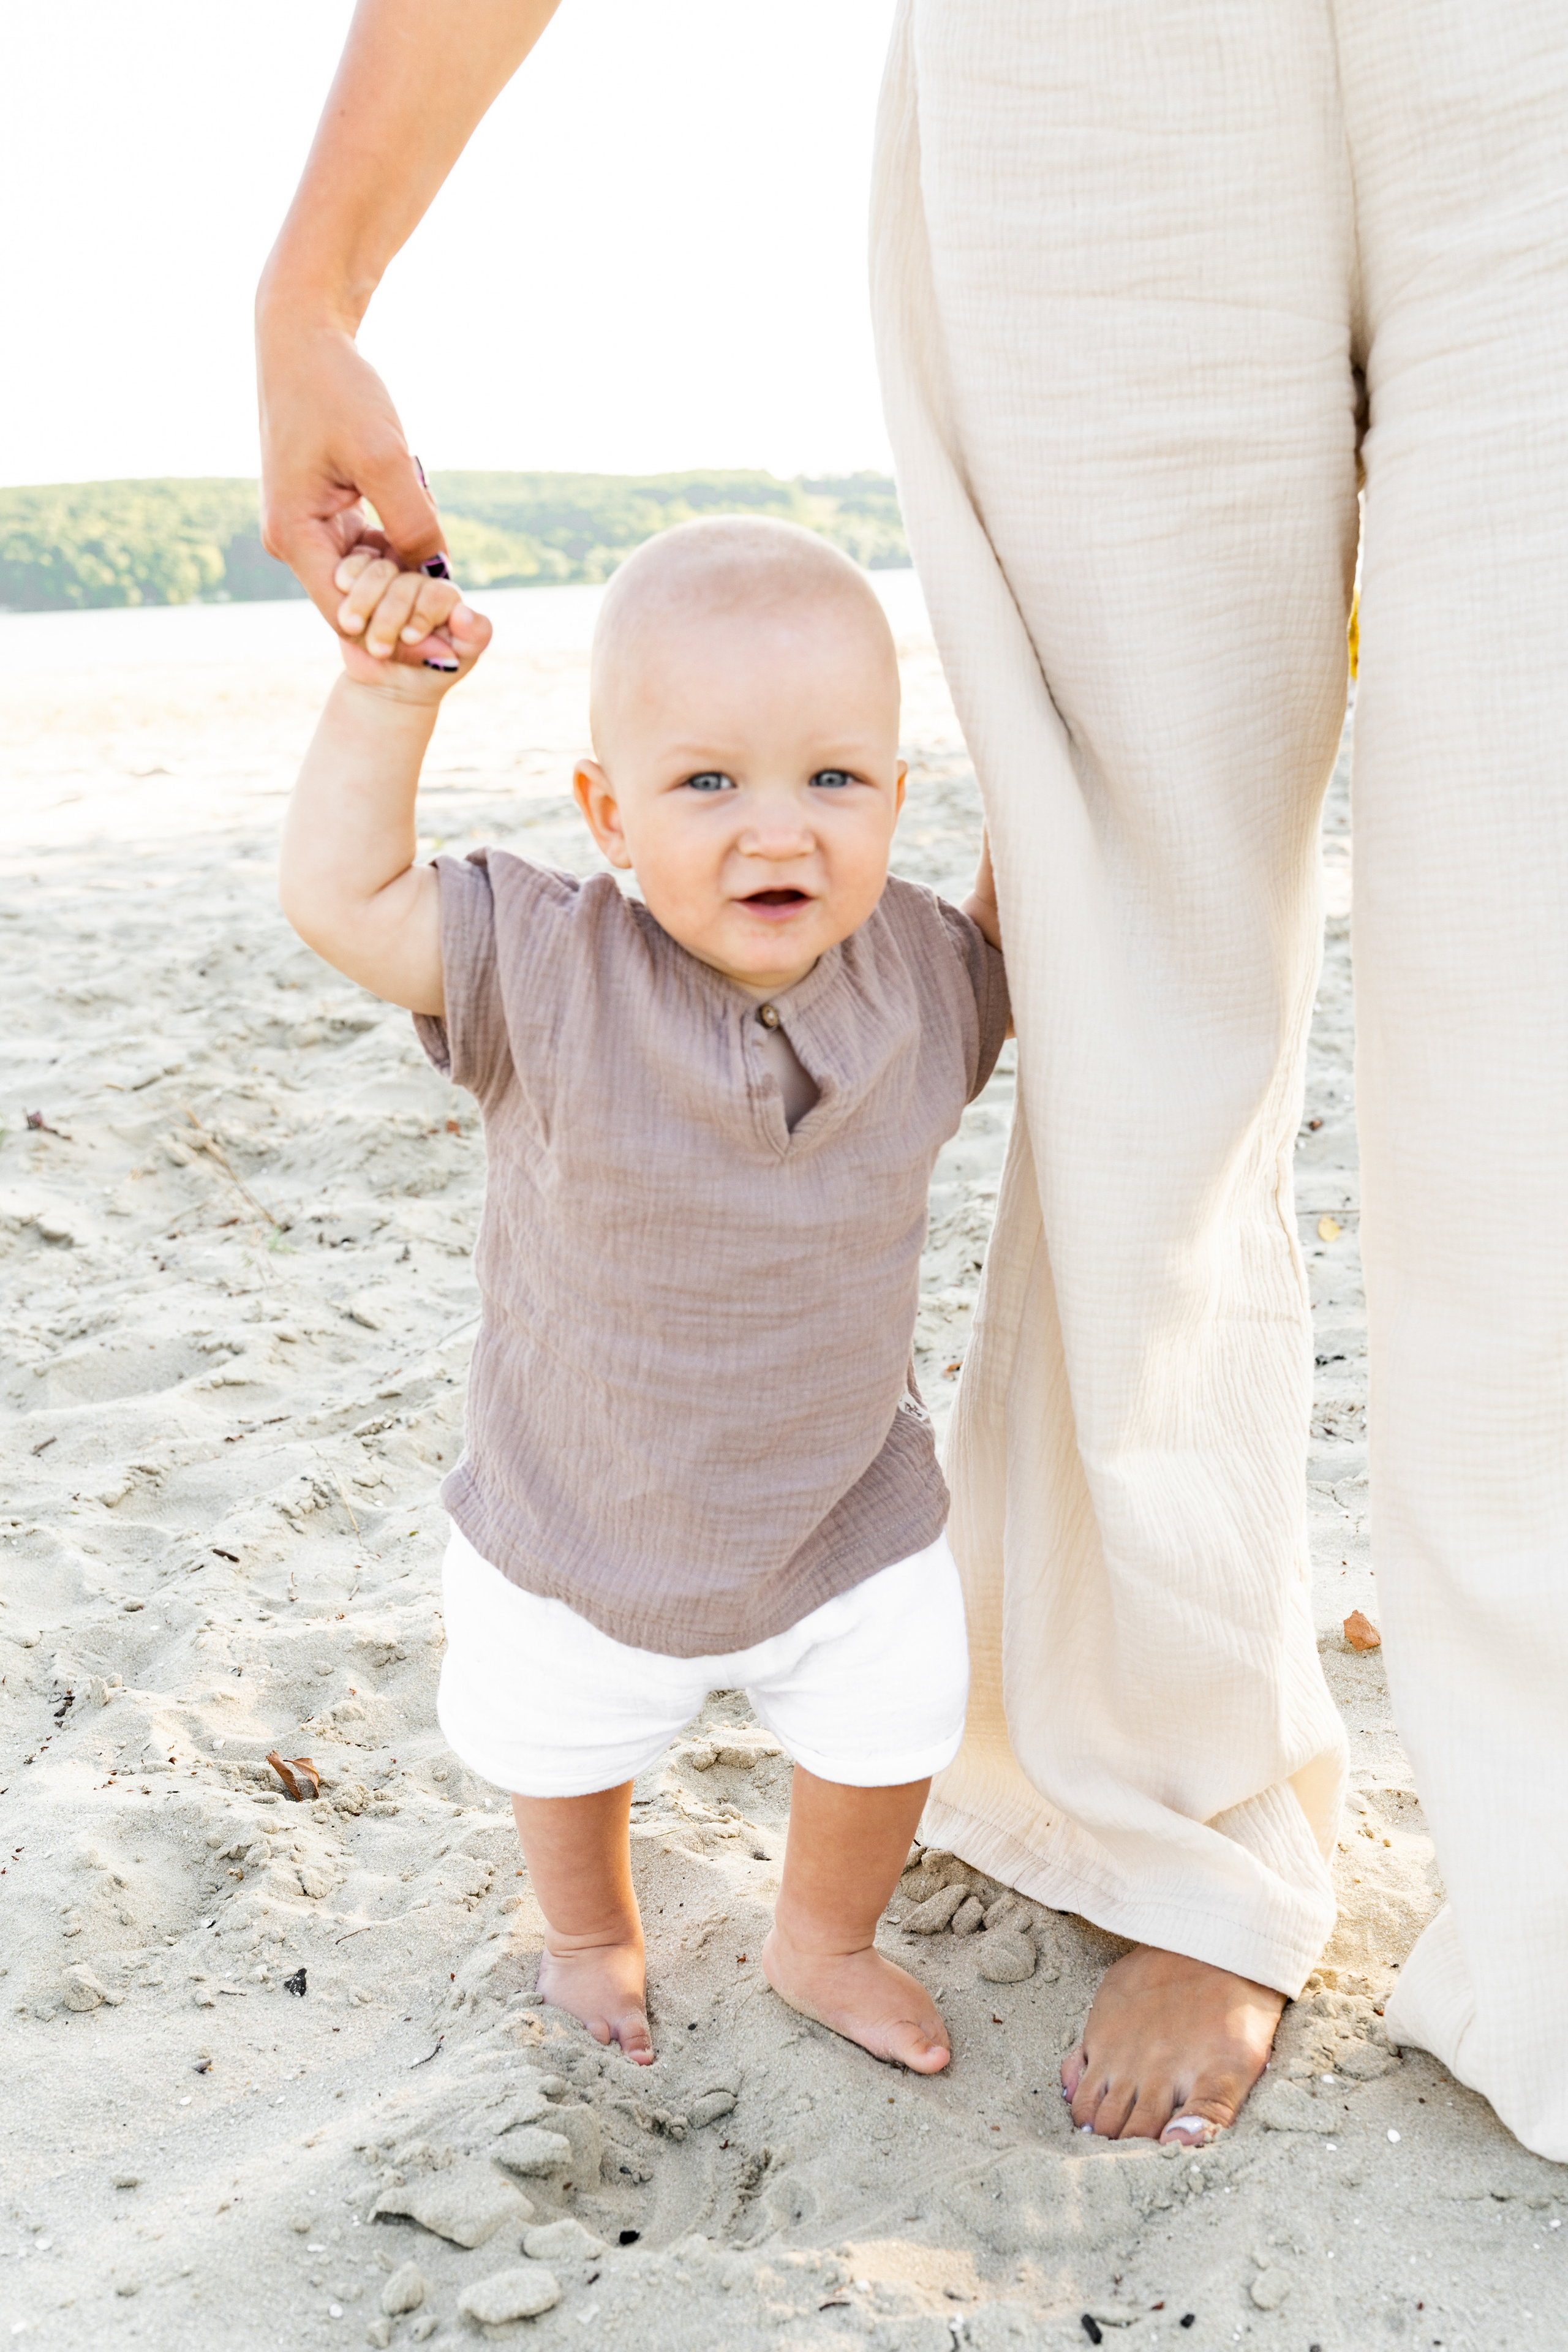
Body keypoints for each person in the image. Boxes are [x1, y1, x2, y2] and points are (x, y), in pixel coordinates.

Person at [257, 3, 1568, 2159]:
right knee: (1126, 972)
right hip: (1103, 73)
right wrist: (320, 279)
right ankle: (1170, 1811)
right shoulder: (566, 963)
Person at [276, 512, 1012, 2076]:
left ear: (895, 795)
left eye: (832, 778)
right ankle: (589, 1932)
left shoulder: (929, 974)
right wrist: (388, 701)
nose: (777, 833)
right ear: (607, 813)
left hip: (841, 1520)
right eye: (705, 784)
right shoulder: (543, 968)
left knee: (893, 1731)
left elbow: (1035, 914)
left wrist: (1046, 754)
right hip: (580, 1520)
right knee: (557, 1747)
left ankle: (821, 1942)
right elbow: (346, 904)